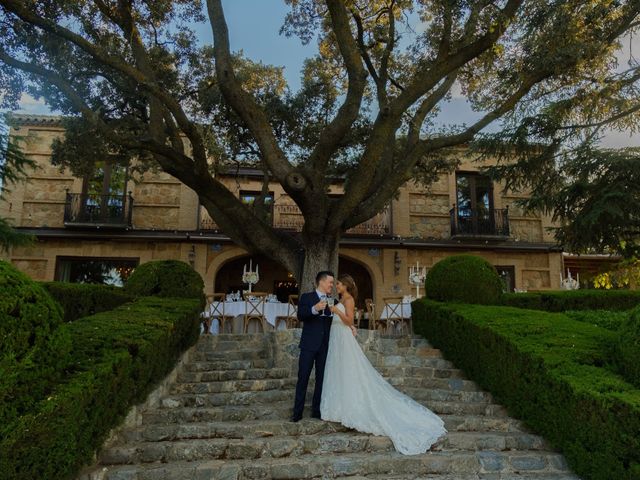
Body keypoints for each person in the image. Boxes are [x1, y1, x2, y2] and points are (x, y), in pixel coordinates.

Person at [321, 274, 448, 455]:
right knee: (338, 371)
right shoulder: (341, 298)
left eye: (339, 284)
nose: (337, 286)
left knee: (348, 370)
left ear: (346, 286)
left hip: (343, 340)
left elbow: (349, 319)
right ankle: (336, 407)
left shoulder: (348, 299)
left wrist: (337, 312)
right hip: (338, 338)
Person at [291, 270, 335, 422]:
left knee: (321, 379)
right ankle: (297, 414)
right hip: (309, 344)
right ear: (321, 282)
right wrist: (314, 309)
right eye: (330, 282)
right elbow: (301, 315)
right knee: (303, 378)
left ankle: (317, 411)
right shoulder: (307, 297)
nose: (332, 285)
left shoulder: (332, 300)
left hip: (324, 346)